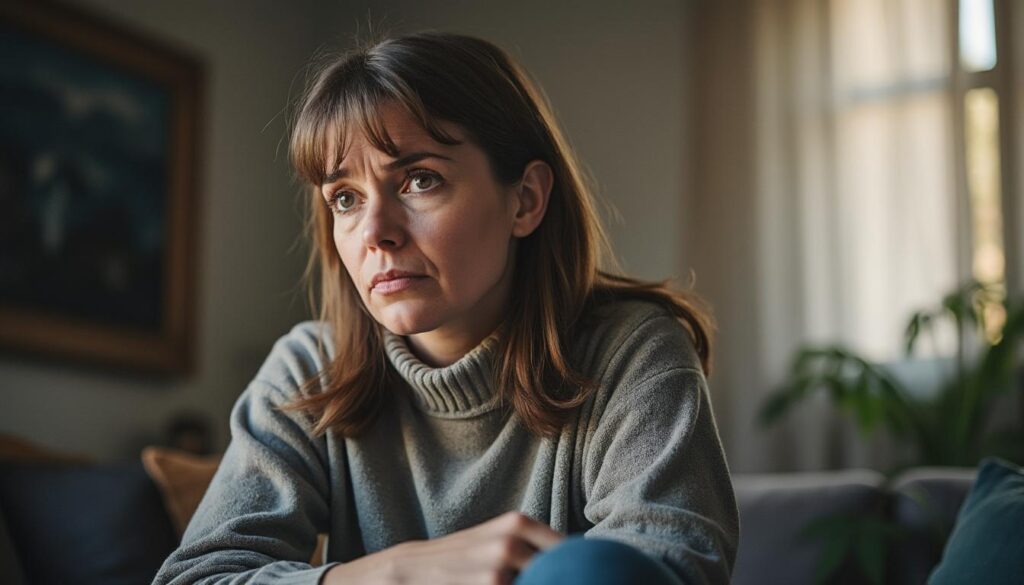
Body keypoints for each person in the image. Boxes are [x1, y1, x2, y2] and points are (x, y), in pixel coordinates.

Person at [154, 31, 738, 585]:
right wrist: (394, 573)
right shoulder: (310, 367)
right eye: (346, 198)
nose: (375, 233)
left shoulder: (631, 351)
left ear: (525, 201)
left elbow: (663, 567)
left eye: (420, 180)